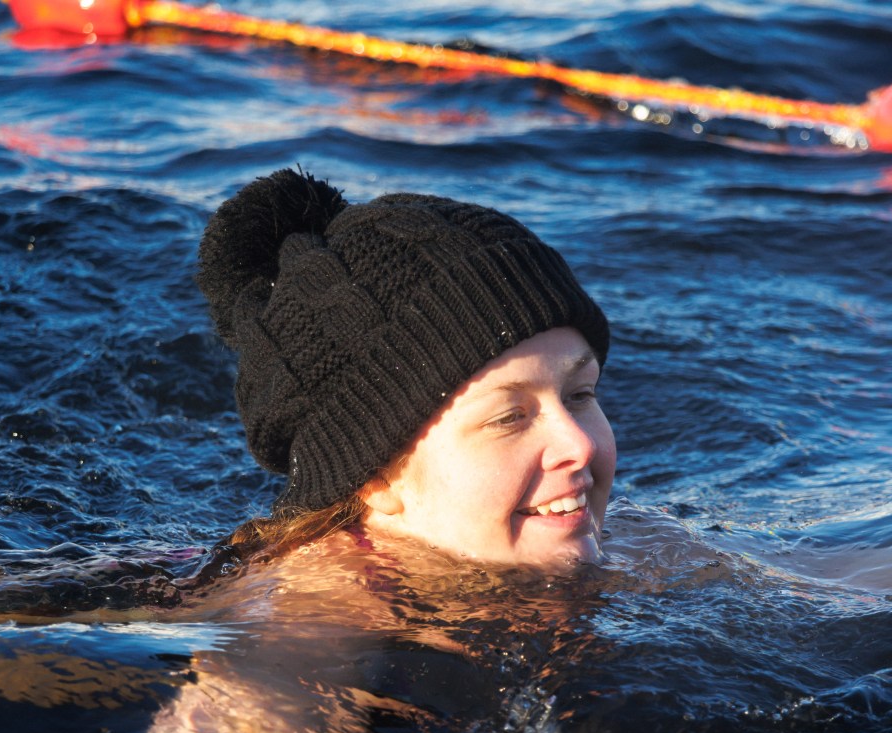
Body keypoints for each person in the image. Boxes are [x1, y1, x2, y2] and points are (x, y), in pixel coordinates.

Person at [196, 166, 617, 572]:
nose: (579, 444)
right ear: (375, 478)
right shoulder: (319, 627)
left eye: (580, 394)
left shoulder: (644, 539)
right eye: (510, 417)